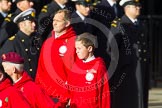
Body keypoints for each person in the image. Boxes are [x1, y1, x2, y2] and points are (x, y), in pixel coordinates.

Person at [110, 0, 148, 108]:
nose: (138, 8)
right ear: (126, 8)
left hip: (140, 64)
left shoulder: (141, 23)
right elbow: (113, 48)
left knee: (141, 94)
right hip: (126, 67)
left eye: (139, 6)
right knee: (128, 96)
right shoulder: (119, 23)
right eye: (135, 6)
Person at [35, 9, 77, 107]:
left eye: (58, 21)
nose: (54, 23)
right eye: (54, 20)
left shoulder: (75, 42)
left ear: (67, 23)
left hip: (64, 98)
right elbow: (40, 70)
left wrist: (71, 96)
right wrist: (38, 90)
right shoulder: (47, 43)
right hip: (45, 96)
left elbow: (77, 73)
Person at [68, 32, 110, 108]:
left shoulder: (99, 67)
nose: (76, 51)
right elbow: (68, 90)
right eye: (76, 48)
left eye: (79, 48)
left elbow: (104, 94)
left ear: (89, 48)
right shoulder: (75, 67)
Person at [0, 8, 41, 79]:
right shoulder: (12, 43)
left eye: (34, 22)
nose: (34, 24)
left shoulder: (37, 40)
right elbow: (3, 65)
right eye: (30, 22)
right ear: (22, 24)